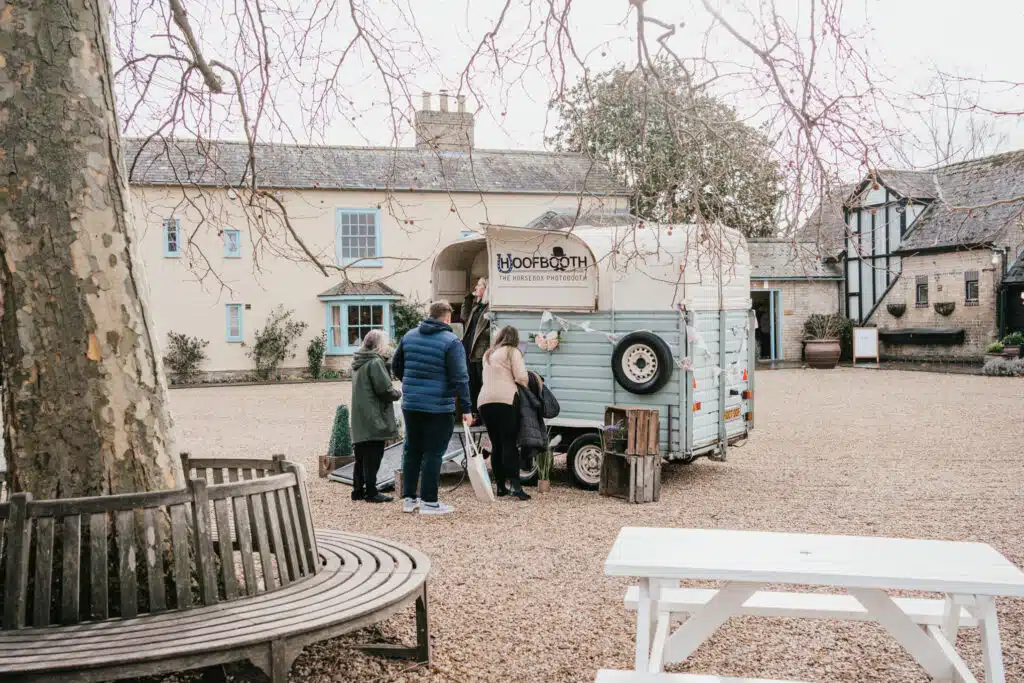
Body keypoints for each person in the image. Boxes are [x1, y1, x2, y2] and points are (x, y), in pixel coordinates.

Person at [392, 301, 473, 515]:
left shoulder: (408, 336)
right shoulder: (452, 342)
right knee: (433, 453)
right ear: (447, 319)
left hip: (411, 404)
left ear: (430, 315)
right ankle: (429, 501)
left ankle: (409, 499)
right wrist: (466, 408)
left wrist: (412, 383)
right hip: (438, 407)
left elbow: (396, 365)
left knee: (412, 450)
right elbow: (461, 378)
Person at [477, 325, 531, 499]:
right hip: (505, 400)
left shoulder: (489, 353)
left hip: (484, 401)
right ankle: (516, 486)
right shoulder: (512, 352)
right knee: (509, 443)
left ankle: (500, 487)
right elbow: (521, 377)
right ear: (515, 339)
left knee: (496, 444)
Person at [349, 330, 401, 503]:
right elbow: (384, 390)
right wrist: (398, 393)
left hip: (359, 416)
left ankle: (357, 490)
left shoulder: (358, 361)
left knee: (361, 456)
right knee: (373, 455)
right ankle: (371, 492)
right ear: (379, 345)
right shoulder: (375, 362)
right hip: (374, 416)